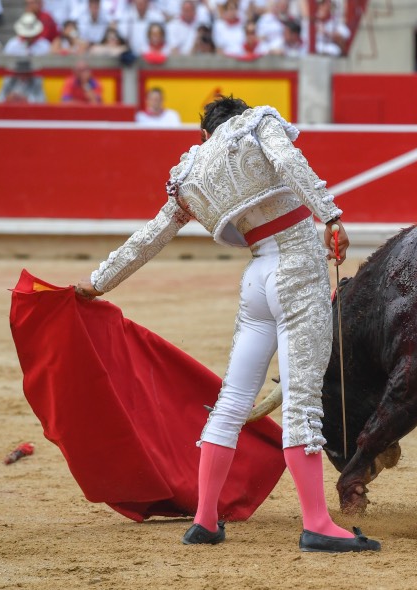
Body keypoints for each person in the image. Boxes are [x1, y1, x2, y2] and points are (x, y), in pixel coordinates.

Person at [75, 96, 381, 553]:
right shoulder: (257, 124)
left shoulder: (191, 171)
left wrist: (99, 281)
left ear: (204, 135)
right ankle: (317, 523)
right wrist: (331, 216)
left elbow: (150, 236)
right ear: (239, 115)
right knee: (301, 403)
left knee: (231, 402)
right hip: (297, 268)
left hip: (257, 279)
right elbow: (288, 161)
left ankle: (204, 519)